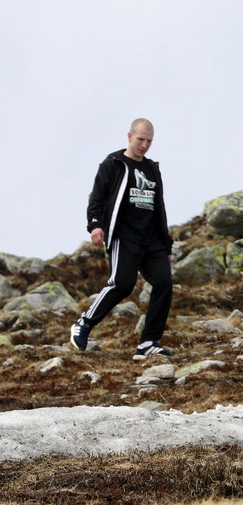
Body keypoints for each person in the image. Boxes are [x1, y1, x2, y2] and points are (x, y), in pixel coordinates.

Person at [73, 118, 175, 359]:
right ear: (129, 136)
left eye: (149, 141)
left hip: (152, 240)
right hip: (124, 236)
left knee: (164, 283)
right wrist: (96, 225)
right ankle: (85, 323)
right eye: (141, 140)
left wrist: (166, 243)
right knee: (122, 283)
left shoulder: (152, 168)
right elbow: (97, 197)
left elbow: (159, 207)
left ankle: (148, 342)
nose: (145, 145)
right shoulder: (113, 163)